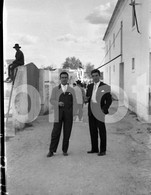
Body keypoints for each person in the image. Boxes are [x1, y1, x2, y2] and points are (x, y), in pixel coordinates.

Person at [47, 71, 77, 157]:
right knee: (55, 132)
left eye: (65, 77)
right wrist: (57, 103)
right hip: (58, 114)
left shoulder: (71, 90)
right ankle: (51, 151)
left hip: (68, 114)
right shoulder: (55, 89)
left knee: (67, 132)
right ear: (60, 79)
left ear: (68, 79)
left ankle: (65, 150)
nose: (64, 79)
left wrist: (74, 113)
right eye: (62, 77)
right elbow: (52, 100)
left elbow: (74, 102)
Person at [85, 69, 112, 156]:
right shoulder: (89, 86)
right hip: (91, 110)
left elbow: (109, 99)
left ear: (99, 76)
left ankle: (103, 150)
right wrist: (86, 100)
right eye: (93, 76)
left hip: (100, 110)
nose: (95, 77)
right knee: (93, 130)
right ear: (91, 77)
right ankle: (94, 148)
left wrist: (104, 108)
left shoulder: (105, 86)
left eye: (96, 75)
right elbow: (87, 97)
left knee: (101, 131)